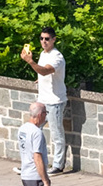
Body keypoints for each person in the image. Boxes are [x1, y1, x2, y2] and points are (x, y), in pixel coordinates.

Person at [20, 27, 68, 173]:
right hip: (42, 100)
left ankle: (58, 165)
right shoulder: (43, 53)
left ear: (54, 39)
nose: (44, 42)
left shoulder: (57, 56)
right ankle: (34, 163)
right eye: (41, 38)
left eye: (47, 39)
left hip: (55, 101)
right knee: (34, 131)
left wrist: (30, 62)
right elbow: (42, 72)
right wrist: (39, 79)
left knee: (56, 134)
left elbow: (46, 70)